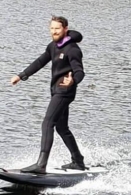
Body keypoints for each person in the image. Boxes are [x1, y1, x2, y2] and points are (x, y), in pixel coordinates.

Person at [10, 16, 86, 174]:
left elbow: (79, 71)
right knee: (61, 127)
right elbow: (39, 62)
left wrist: (73, 81)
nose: (54, 31)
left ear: (65, 29)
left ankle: (41, 164)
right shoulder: (53, 46)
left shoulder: (72, 49)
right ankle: (78, 161)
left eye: (57, 28)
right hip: (56, 91)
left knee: (47, 123)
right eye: (52, 28)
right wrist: (21, 75)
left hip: (65, 91)